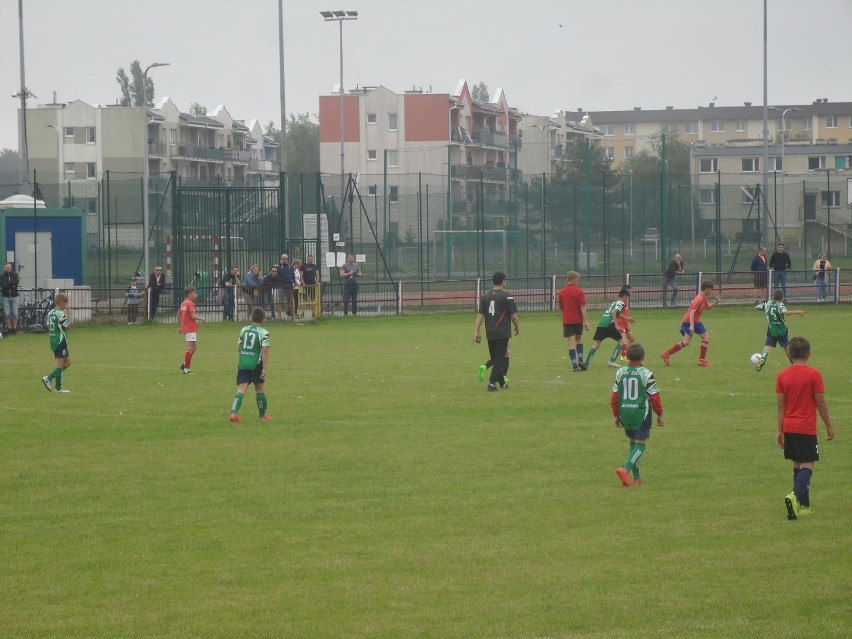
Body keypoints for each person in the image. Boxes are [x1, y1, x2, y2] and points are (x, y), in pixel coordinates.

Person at [775, 336, 835, 520]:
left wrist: (780, 430)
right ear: (809, 354)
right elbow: (820, 402)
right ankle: (794, 495)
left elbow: (781, 406)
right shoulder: (814, 374)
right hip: (806, 427)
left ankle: (803, 507)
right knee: (808, 464)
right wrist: (829, 425)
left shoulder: (782, 375)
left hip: (789, 426)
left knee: (797, 464)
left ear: (789, 352)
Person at [611, 342, 664, 487]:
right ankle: (625, 469)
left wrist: (616, 414)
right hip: (640, 414)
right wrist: (659, 413)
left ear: (626, 356)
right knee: (640, 445)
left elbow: (614, 395)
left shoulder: (620, 372)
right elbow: (654, 397)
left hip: (625, 413)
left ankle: (637, 478)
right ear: (643, 357)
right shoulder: (646, 373)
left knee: (633, 443)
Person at [474, 271, 519, 392]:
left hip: (490, 332)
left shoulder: (485, 296)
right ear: (503, 281)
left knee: (495, 359)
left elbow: (480, 315)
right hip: (502, 332)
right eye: (505, 280)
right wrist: (517, 327)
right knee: (499, 359)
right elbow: (514, 316)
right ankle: (492, 383)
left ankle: (502, 383)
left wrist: (477, 332)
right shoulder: (507, 296)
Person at [661, 279, 720, 367]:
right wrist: (692, 325)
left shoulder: (704, 297)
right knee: (706, 337)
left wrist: (716, 302)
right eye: (711, 289)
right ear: (707, 289)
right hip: (692, 321)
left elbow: (707, 307)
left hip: (689, 321)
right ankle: (701, 360)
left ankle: (666, 353)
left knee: (686, 341)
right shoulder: (699, 299)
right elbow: (692, 312)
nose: (712, 291)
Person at [229, 308, 272, 423]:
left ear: (252, 318)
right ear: (262, 320)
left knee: (241, 389)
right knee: (260, 389)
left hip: (243, 363)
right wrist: (264, 368)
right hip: (256, 364)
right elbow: (265, 350)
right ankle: (262, 416)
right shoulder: (264, 332)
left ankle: (233, 413)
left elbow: (238, 348)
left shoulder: (244, 330)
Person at [754, 289, 805, 372]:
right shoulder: (780, 305)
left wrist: (764, 309)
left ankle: (762, 359)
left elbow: (757, 307)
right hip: (781, 331)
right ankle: (795, 365)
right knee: (787, 349)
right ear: (782, 298)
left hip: (771, 330)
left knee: (766, 348)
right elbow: (786, 312)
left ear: (774, 297)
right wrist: (798, 311)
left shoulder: (768, 303)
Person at [584, 288, 630, 369]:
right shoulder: (621, 303)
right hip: (609, 325)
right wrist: (616, 325)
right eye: (628, 297)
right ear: (625, 296)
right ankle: (611, 362)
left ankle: (586, 364)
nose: (627, 300)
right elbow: (613, 312)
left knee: (596, 345)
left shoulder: (614, 303)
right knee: (622, 342)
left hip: (602, 324)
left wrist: (626, 318)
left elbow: (615, 312)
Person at [557, 270, 589, 372]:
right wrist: (585, 321)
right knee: (578, 339)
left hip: (567, 320)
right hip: (578, 320)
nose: (578, 281)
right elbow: (582, 307)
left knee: (571, 342)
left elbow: (562, 308)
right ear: (574, 279)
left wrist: (565, 317)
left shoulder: (561, 292)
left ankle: (575, 365)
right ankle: (580, 359)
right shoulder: (579, 291)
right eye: (578, 279)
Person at [41, 293, 72, 393]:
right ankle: (56, 386)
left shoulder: (50, 313)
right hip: (60, 341)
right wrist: (69, 316)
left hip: (53, 340)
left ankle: (50, 379)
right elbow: (68, 327)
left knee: (68, 363)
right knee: (60, 364)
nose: (66, 306)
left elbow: (48, 325)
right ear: (60, 302)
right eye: (65, 303)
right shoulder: (60, 313)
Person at [177, 286, 205, 374]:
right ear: (189, 294)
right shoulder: (190, 303)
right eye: (194, 293)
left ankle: (185, 364)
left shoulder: (183, 303)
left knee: (194, 347)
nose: (196, 295)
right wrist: (201, 318)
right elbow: (193, 316)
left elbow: (178, 316)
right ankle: (186, 370)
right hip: (190, 328)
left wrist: (180, 327)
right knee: (190, 348)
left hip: (186, 328)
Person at [610, 284, 636, 364]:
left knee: (632, 339)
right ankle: (623, 356)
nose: (630, 293)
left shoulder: (625, 301)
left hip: (625, 324)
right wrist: (627, 318)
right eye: (629, 291)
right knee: (623, 341)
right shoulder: (621, 302)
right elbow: (617, 312)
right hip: (620, 323)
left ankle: (625, 354)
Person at [1, 262, 20, 334]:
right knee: (7, 313)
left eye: (9, 267)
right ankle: (9, 328)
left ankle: (14, 328)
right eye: (7, 267)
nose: (8, 268)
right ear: (4, 268)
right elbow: (3, 285)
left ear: (11, 267)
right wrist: (11, 285)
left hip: (14, 296)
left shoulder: (15, 275)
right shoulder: (2, 276)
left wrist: (8, 284)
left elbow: (16, 282)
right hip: (6, 296)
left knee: (15, 313)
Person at [277, 253, 296, 318]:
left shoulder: (290, 267)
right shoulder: (278, 267)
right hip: (281, 286)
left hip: (289, 286)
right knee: (280, 301)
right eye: (284, 259)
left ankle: (290, 315)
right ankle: (279, 316)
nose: (285, 260)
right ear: (281, 259)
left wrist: (293, 283)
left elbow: (293, 276)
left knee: (290, 301)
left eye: (286, 259)